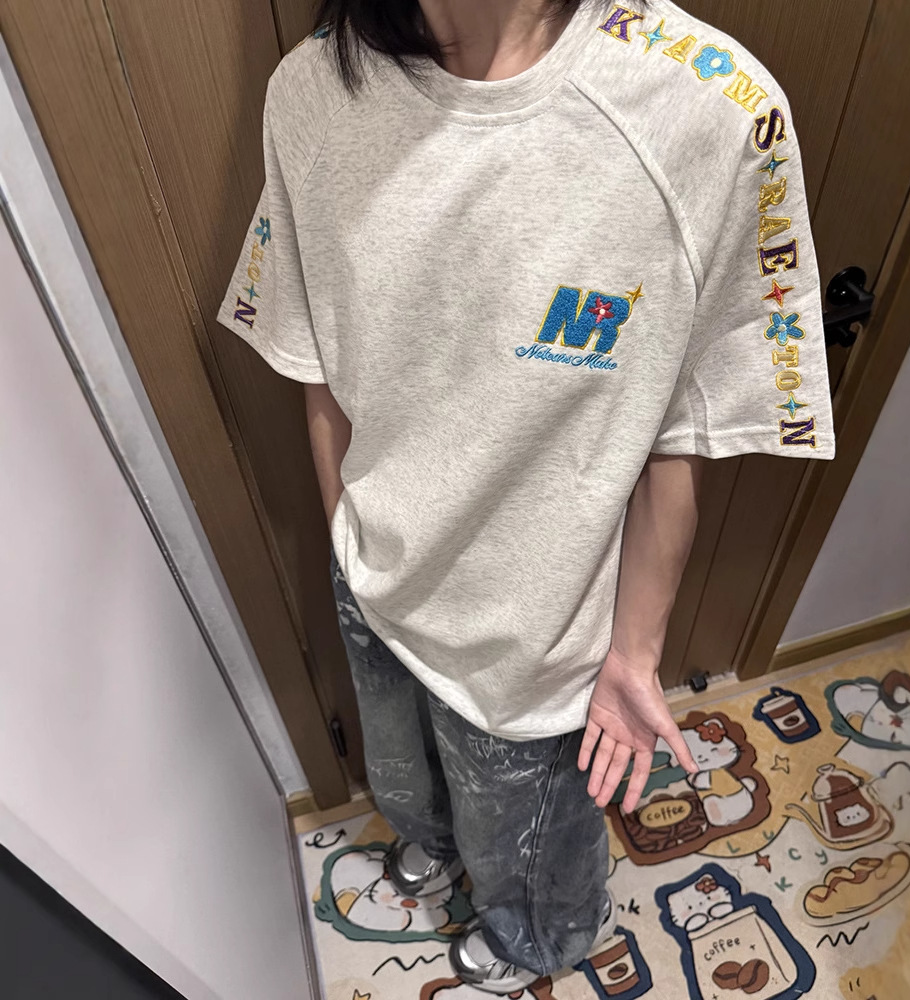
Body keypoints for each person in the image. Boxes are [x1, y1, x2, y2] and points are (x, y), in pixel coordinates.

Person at [217, 0, 835, 991]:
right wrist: (345, 534)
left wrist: (634, 650)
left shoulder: (708, 105)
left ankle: (538, 940)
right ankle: (433, 843)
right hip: (374, 569)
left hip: (537, 632)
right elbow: (315, 358)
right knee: (405, 777)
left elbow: (681, 421)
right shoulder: (313, 90)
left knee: (529, 843)